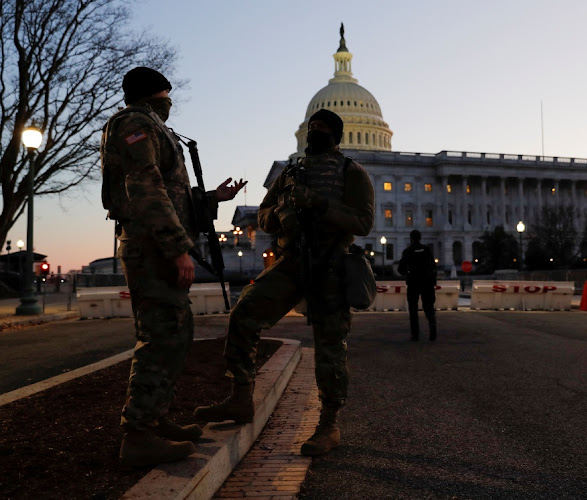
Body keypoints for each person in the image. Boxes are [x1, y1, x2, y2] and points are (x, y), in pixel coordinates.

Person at [194, 109, 374, 457]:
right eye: (310, 128)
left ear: (335, 136)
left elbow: (363, 222)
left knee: (330, 346)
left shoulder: (352, 172)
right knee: (244, 312)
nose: (312, 133)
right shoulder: (291, 172)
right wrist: (281, 215)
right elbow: (263, 214)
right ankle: (241, 397)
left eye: (319, 129)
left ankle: (328, 424)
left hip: (331, 264)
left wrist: (320, 204)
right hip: (293, 261)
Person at [100, 66, 246, 468]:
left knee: (176, 333)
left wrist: (212, 197)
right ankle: (139, 434)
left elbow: (172, 194)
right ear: (157, 93)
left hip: (156, 246)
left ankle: (155, 416)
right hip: (152, 250)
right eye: (168, 93)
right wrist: (177, 248)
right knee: (161, 336)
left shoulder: (149, 126)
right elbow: (144, 187)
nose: (171, 99)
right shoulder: (135, 124)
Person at [398, 230, 437, 341]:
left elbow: (401, 269)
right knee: (429, 308)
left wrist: (409, 272)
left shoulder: (408, 251)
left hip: (414, 282)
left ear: (411, 238)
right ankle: (433, 332)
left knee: (413, 309)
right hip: (427, 282)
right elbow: (433, 265)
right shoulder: (427, 250)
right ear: (420, 238)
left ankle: (415, 335)